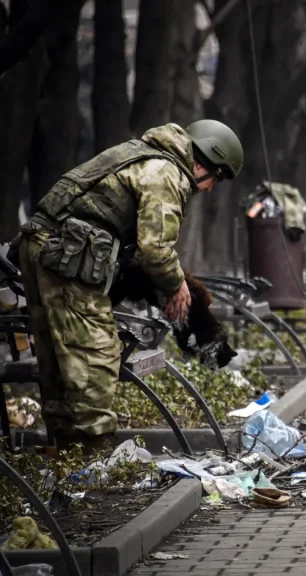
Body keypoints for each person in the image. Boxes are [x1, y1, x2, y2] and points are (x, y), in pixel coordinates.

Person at [18, 119, 243, 455]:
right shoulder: (166, 172)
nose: (210, 188)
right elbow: (155, 250)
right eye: (217, 178)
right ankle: (92, 458)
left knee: (58, 359)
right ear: (204, 163)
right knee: (94, 357)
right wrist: (176, 285)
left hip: (43, 247)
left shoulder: (142, 154)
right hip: (66, 257)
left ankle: (65, 455)